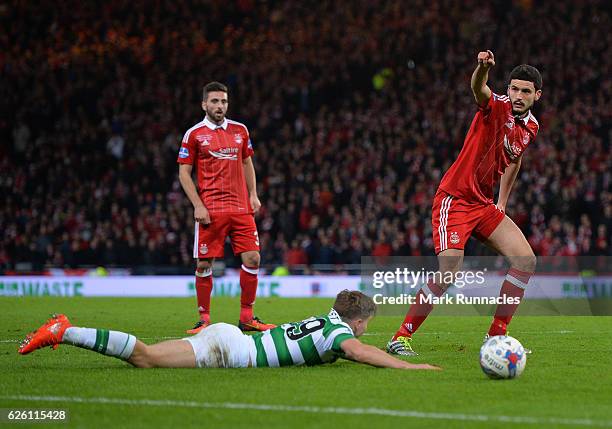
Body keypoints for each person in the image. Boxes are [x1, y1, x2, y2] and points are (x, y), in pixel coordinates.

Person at [387, 51, 542, 356]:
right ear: (507, 89)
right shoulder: (496, 106)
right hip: (455, 199)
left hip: (483, 204)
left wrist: (502, 201)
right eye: (514, 88)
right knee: (449, 272)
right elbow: (478, 89)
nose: (518, 95)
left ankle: (496, 337)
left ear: (537, 95)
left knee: (526, 260)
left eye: (525, 91)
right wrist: (482, 68)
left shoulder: (532, 126)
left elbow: (515, 159)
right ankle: (399, 338)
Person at [18, 291, 440, 371]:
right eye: (368, 324)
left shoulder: (325, 320)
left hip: (230, 339)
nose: (367, 332)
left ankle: (65, 329)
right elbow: (363, 353)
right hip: (232, 352)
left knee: (146, 358)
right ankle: (65, 330)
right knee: (144, 358)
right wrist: (413, 369)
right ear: (360, 321)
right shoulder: (339, 337)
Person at [177, 82, 274, 334]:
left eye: (223, 102)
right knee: (203, 265)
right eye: (215, 101)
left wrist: (253, 194)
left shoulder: (240, 130)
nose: (220, 106)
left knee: (253, 258)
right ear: (204, 104)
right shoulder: (194, 134)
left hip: (241, 207)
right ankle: (204, 319)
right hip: (210, 209)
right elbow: (184, 174)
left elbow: (247, 163)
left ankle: (247, 317)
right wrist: (197, 204)